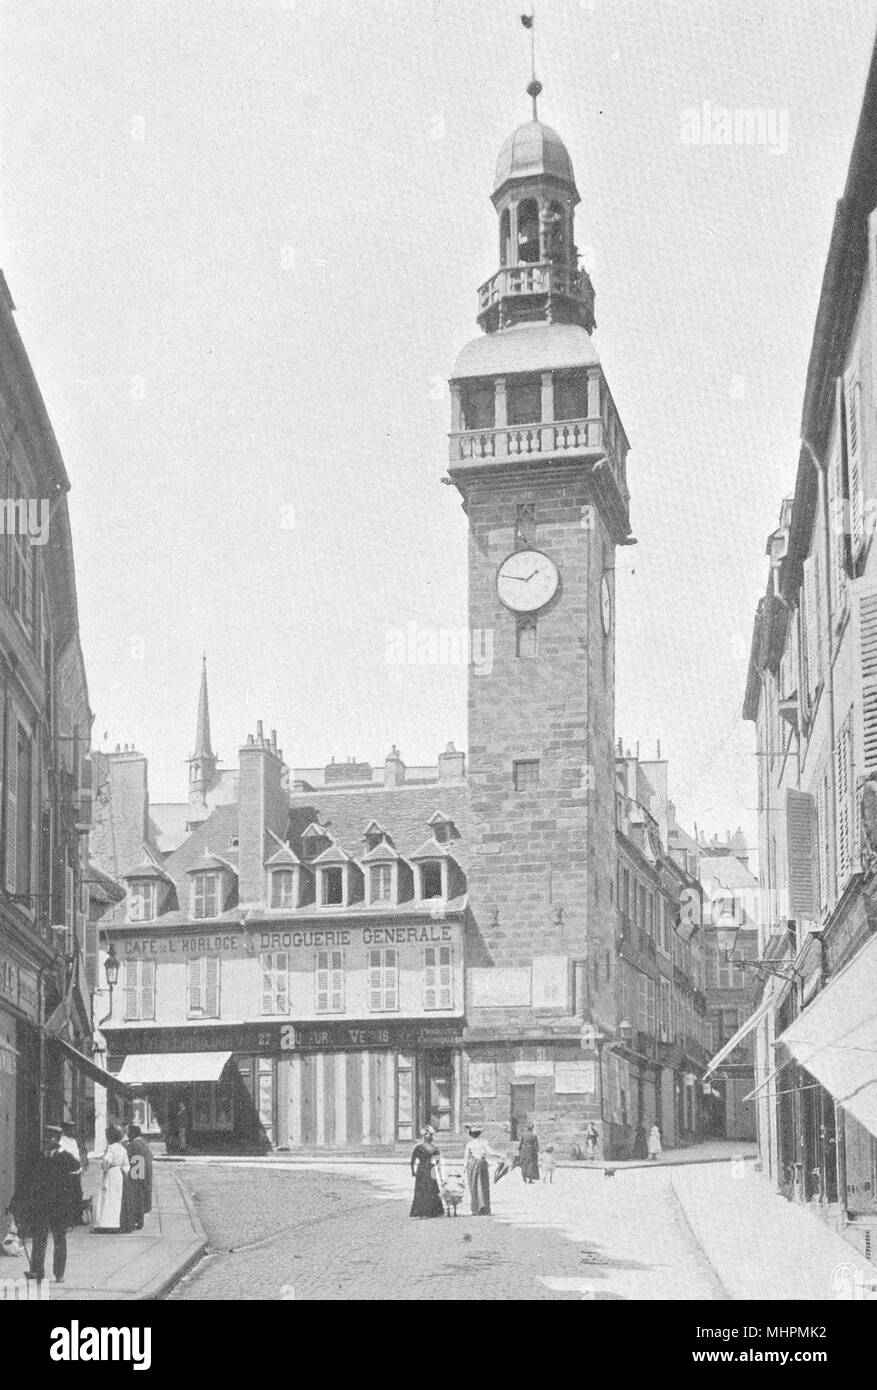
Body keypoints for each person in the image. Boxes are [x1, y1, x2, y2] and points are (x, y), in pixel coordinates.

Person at [9, 1124, 82, 1284]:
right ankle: (36, 1271)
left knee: (59, 1239)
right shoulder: (38, 1158)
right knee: (39, 1238)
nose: (47, 1143)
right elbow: (26, 1182)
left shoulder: (68, 1160)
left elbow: (75, 1187)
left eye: (51, 1140)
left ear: (57, 1142)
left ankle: (59, 1273)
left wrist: (76, 1208)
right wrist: (15, 1201)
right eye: (46, 1140)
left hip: (60, 1207)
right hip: (41, 1206)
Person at [92, 1126, 132, 1232]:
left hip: (110, 1174)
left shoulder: (111, 1148)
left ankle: (106, 1223)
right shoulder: (122, 1148)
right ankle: (116, 1223)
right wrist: (123, 1172)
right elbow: (127, 1165)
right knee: (117, 1199)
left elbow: (106, 1163)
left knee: (107, 1197)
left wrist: (104, 1168)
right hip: (119, 1174)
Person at [464, 1125, 501, 1216]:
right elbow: (491, 1152)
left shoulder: (469, 1144)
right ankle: (483, 1208)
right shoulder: (484, 1142)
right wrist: (499, 1155)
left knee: (474, 1186)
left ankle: (476, 1209)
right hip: (481, 1164)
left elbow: (466, 1158)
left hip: (472, 1165)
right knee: (483, 1186)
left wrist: (464, 1168)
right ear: (479, 1134)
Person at [409, 1126, 445, 1218]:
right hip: (430, 1169)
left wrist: (413, 1171)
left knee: (421, 1190)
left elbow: (412, 1161)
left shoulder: (418, 1147)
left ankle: (421, 1211)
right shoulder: (435, 1148)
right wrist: (440, 1176)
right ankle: (432, 1211)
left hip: (421, 1170)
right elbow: (438, 1164)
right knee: (431, 1189)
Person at [124, 1125, 153, 1230]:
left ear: (133, 1133)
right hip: (145, 1176)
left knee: (136, 1199)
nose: (127, 1135)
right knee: (141, 1199)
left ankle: (137, 1221)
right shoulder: (144, 1143)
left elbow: (137, 1161)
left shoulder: (134, 1145)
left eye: (129, 1133)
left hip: (137, 1176)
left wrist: (134, 1177)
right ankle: (139, 1221)